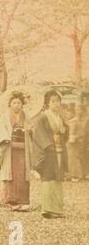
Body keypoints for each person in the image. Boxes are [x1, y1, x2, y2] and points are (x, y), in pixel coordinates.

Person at [0, 91, 33, 212]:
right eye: (14, 102)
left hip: (23, 149)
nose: (17, 105)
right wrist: (6, 138)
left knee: (22, 175)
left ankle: (23, 201)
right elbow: (1, 131)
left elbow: (31, 130)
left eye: (19, 103)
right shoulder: (5, 117)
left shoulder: (26, 116)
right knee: (11, 175)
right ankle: (12, 201)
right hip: (10, 149)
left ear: (22, 104)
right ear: (10, 104)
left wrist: (29, 130)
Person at [32, 90, 68, 219]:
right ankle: (47, 209)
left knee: (57, 178)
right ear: (47, 103)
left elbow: (64, 133)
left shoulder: (59, 117)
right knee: (48, 179)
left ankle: (57, 209)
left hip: (58, 150)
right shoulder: (43, 117)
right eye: (53, 101)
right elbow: (39, 133)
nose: (56, 104)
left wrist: (65, 131)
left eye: (58, 101)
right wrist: (48, 145)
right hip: (48, 152)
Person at [66, 104, 87, 181]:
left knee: (74, 158)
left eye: (69, 113)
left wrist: (75, 137)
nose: (67, 115)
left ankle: (76, 175)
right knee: (71, 158)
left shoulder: (75, 121)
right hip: (70, 142)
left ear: (72, 113)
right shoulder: (70, 121)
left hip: (74, 142)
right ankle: (73, 174)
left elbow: (81, 133)